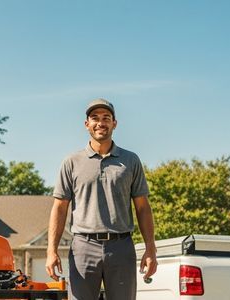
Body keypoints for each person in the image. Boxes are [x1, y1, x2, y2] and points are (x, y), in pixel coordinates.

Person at [46, 98, 157, 300]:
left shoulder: (131, 160)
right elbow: (60, 208)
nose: (101, 122)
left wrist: (151, 249)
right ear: (86, 124)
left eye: (106, 118)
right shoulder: (71, 162)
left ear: (114, 123)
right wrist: (51, 250)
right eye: (95, 118)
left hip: (121, 247)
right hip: (83, 246)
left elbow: (142, 208)